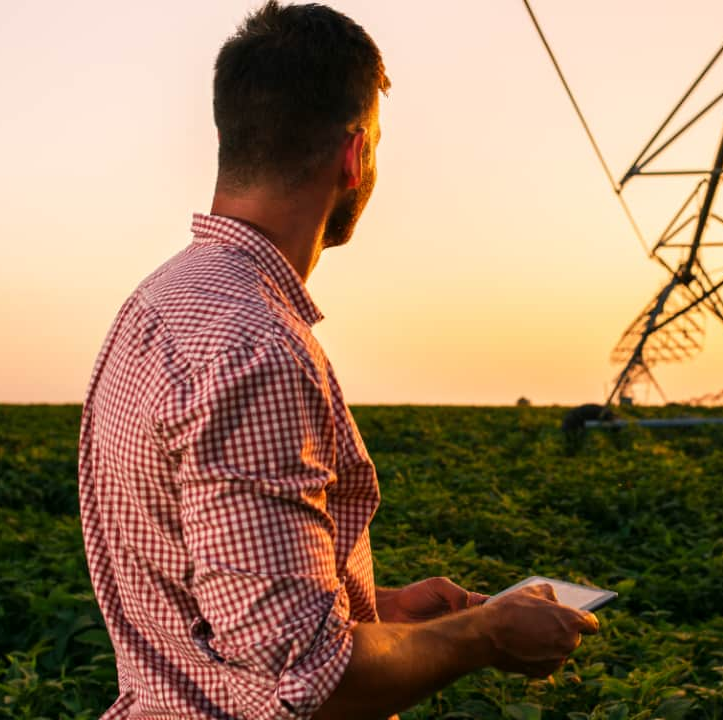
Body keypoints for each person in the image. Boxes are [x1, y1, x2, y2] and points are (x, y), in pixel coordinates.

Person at [76, 3, 599, 719]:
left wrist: (371, 608)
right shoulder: (255, 348)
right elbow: (312, 687)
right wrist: (481, 634)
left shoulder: (159, 303)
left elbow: (225, 607)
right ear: (355, 156)